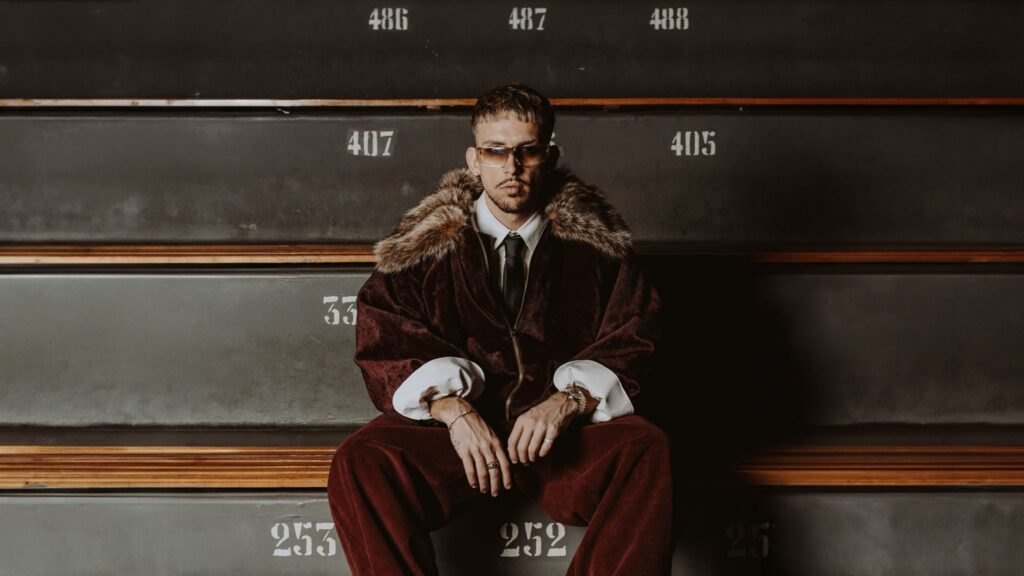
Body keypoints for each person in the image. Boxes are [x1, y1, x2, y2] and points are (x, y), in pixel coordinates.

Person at [328, 83, 672, 576]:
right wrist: (451, 410)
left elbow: (639, 335)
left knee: (646, 448)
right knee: (361, 460)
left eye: (527, 151)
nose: (511, 167)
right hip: (461, 442)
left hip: (562, 441)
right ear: (474, 160)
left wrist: (569, 401)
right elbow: (384, 340)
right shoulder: (426, 248)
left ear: (549, 157)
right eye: (495, 150)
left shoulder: (597, 250)